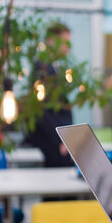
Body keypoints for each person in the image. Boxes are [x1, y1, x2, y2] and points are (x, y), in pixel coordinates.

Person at [27, 22, 74, 168]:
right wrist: (61, 139)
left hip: (61, 139)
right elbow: (40, 109)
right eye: (65, 42)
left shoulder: (59, 68)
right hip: (51, 142)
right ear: (51, 41)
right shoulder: (41, 68)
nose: (68, 46)